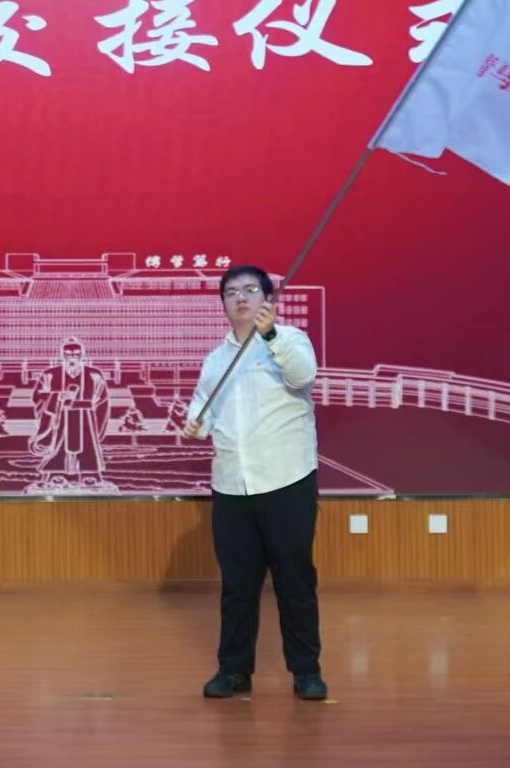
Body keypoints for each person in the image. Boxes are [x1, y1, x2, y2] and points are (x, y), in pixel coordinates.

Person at [179, 264, 325, 701]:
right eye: (231, 292)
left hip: (286, 479)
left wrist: (271, 335)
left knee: (294, 581)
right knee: (237, 585)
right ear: (223, 304)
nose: (240, 298)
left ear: (267, 298)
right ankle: (234, 670)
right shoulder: (215, 359)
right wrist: (193, 425)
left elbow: (303, 376)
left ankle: (306, 671)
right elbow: (202, 406)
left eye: (249, 290)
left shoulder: (290, 340)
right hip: (231, 486)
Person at [28, 338, 111, 488]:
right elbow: (38, 396)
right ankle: (57, 474)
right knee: (59, 445)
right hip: (60, 416)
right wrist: (58, 396)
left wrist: (99, 425)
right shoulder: (50, 374)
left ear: (82, 354)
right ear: (62, 354)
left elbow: (102, 400)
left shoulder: (94, 374)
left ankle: (90, 475)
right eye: (68, 354)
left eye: (76, 353)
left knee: (88, 445)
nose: (72, 357)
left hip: (85, 417)